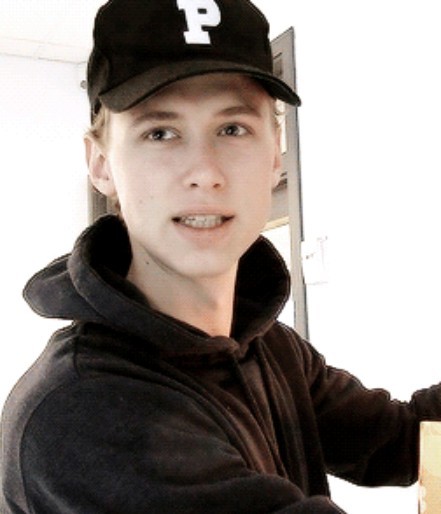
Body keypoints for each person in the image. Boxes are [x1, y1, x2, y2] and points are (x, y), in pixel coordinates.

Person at [1, 0, 441, 512]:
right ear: (101, 164)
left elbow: (403, 438)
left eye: (232, 129)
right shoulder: (83, 412)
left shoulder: (267, 345)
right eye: (160, 133)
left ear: (275, 154)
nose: (205, 172)